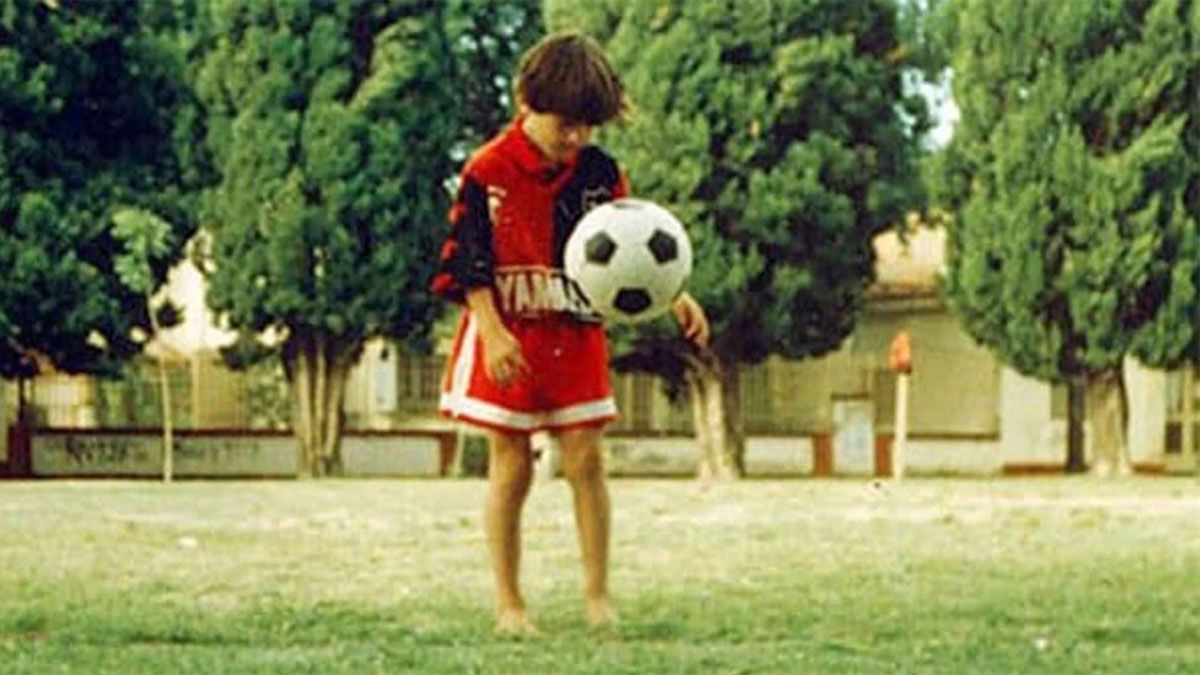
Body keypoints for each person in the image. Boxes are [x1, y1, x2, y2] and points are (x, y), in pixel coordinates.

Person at [431, 31, 709, 635]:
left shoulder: (599, 174)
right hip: (506, 331)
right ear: (526, 103)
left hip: (573, 333)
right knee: (513, 466)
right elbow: (465, 260)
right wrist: (492, 330)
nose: (576, 138)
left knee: (586, 459)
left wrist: (674, 294)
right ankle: (510, 603)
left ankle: (597, 595)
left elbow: (635, 251)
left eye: (588, 126)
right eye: (565, 125)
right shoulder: (487, 170)